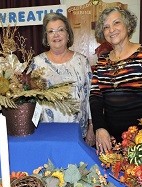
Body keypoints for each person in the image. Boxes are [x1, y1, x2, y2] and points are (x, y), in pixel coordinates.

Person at [90, 7, 142, 154]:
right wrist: (99, 128)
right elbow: (95, 97)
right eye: (106, 27)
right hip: (111, 141)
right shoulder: (102, 61)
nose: (111, 29)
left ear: (127, 25)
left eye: (116, 23)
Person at [28, 12, 95, 146]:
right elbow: (28, 99)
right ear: (46, 37)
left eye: (60, 30)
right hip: (45, 133)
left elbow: (91, 96)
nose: (56, 35)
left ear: (68, 34)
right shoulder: (37, 63)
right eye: (51, 31)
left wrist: (91, 127)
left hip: (78, 134)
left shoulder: (82, 61)